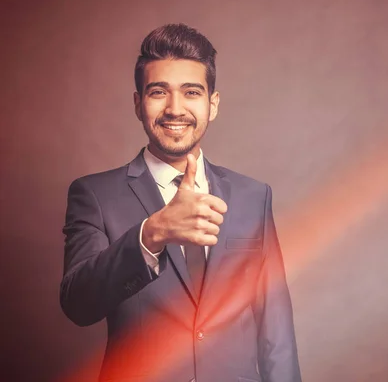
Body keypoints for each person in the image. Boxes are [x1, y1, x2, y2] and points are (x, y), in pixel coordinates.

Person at [60, 24, 301, 382]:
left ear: (212, 104)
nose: (175, 109)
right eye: (159, 92)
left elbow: (275, 327)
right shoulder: (94, 195)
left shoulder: (254, 196)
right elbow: (78, 304)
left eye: (191, 92)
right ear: (138, 103)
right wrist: (152, 234)